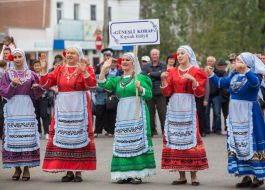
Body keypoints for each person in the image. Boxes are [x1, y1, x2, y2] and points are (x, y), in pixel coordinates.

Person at [206, 52, 265, 188]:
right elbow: (221, 83)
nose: (234, 63)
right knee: (237, 143)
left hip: (250, 113)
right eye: (235, 61)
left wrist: (246, 70)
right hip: (235, 114)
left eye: (238, 60)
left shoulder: (255, 75)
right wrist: (211, 74)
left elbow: (255, 84)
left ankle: (257, 176)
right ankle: (244, 175)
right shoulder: (234, 75)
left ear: (246, 63)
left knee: (251, 142)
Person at [40, 45, 97, 182]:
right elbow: (45, 84)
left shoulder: (85, 68)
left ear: (79, 55)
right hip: (63, 107)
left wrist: (84, 72)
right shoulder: (59, 69)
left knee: (79, 137)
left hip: (79, 106)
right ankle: (69, 171)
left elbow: (92, 84)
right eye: (68, 53)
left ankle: (78, 171)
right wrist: (43, 69)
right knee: (64, 138)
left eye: (73, 53)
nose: (69, 55)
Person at [98, 52, 156, 184]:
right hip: (123, 114)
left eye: (127, 60)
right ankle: (124, 174)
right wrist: (103, 69)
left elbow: (149, 95)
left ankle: (137, 173)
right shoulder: (118, 79)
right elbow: (103, 85)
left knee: (137, 142)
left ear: (133, 63)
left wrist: (140, 88)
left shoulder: (141, 78)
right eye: (122, 60)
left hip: (137, 112)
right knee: (124, 143)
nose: (124, 62)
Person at [160, 45, 209, 186]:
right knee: (175, 138)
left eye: (182, 53)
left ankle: (194, 176)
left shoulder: (196, 71)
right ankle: (181, 175)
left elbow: (199, 93)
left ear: (189, 55)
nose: (179, 56)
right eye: (178, 54)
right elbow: (167, 92)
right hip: (175, 106)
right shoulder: (172, 71)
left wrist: (193, 81)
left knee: (190, 137)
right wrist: (163, 80)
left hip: (188, 105)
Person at [0, 48, 43, 181]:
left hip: (26, 107)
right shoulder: (7, 75)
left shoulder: (31, 74)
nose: (18, 59)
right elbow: (4, 92)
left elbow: (37, 95)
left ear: (24, 58)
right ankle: (16, 168)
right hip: (12, 107)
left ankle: (26, 168)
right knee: (13, 137)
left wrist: (37, 88)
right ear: (12, 59)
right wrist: (13, 84)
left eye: (20, 56)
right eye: (15, 57)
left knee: (27, 137)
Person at [142, 48, 167, 136]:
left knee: (162, 113)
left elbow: (163, 74)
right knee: (150, 113)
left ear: (158, 55)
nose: (154, 56)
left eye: (156, 54)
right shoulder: (145, 66)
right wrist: (158, 74)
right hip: (150, 92)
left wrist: (151, 74)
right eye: (153, 54)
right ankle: (152, 131)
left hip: (160, 92)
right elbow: (144, 77)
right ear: (150, 55)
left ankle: (165, 131)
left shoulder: (163, 64)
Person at [32, 60, 52, 140]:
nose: (37, 67)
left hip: (43, 97)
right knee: (36, 116)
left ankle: (47, 132)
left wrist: (39, 85)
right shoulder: (31, 75)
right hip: (34, 98)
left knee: (44, 115)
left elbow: (47, 84)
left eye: (38, 65)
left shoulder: (44, 74)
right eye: (35, 66)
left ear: (41, 66)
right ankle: (39, 132)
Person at [205, 56, 222, 135]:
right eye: (208, 61)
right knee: (206, 113)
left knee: (217, 113)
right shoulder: (204, 71)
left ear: (214, 62)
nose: (209, 62)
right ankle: (207, 130)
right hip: (207, 95)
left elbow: (221, 82)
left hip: (216, 95)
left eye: (211, 61)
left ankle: (217, 129)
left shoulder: (218, 72)